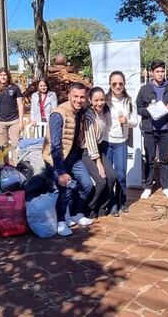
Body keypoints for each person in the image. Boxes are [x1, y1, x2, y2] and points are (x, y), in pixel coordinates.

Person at [43, 82, 95, 236]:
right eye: (75, 97)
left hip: (72, 156)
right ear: (69, 96)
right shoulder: (58, 114)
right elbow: (55, 145)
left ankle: (75, 213)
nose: (79, 100)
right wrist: (60, 172)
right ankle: (60, 221)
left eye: (82, 97)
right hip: (56, 158)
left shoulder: (81, 111)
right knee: (65, 188)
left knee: (87, 184)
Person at [136, 60, 168, 200]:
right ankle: (148, 186)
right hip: (150, 129)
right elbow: (139, 109)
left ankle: (166, 187)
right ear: (151, 73)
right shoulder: (145, 89)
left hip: (165, 130)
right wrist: (151, 111)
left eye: (162, 71)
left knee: (164, 160)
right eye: (157, 71)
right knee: (149, 159)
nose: (160, 74)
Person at [103, 71, 139, 216]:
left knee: (121, 174)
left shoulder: (129, 101)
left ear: (124, 84)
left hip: (121, 142)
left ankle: (122, 201)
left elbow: (135, 122)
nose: (117, 86)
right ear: (110, 84)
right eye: (114, 84)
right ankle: (111, 204)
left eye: (120, 83)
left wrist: (127, 121)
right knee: (108, 176)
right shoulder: (105, 100)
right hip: (106, 142)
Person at [81, 87, 118, 218]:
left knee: (112, 176)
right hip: (87, 151)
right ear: (90, 100)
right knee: (101, 180)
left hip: (98, 148)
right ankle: (89, 208)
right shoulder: (89, 115)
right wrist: (99, 163)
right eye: (96, 100)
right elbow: (90, 139)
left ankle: (102, 207)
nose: (99, 103)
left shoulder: (103, 112)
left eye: (102, 99)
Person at [0, 67, 24, 148]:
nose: (3, 77)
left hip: (14, 121)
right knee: (2, 147)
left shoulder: (15, 88)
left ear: (8, 76)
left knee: (15, 145)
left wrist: (21, 121)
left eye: (5, 75)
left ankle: (17, 161)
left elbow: (20, 105)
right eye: (1, 75)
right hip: (0, 122)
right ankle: (4, 161)